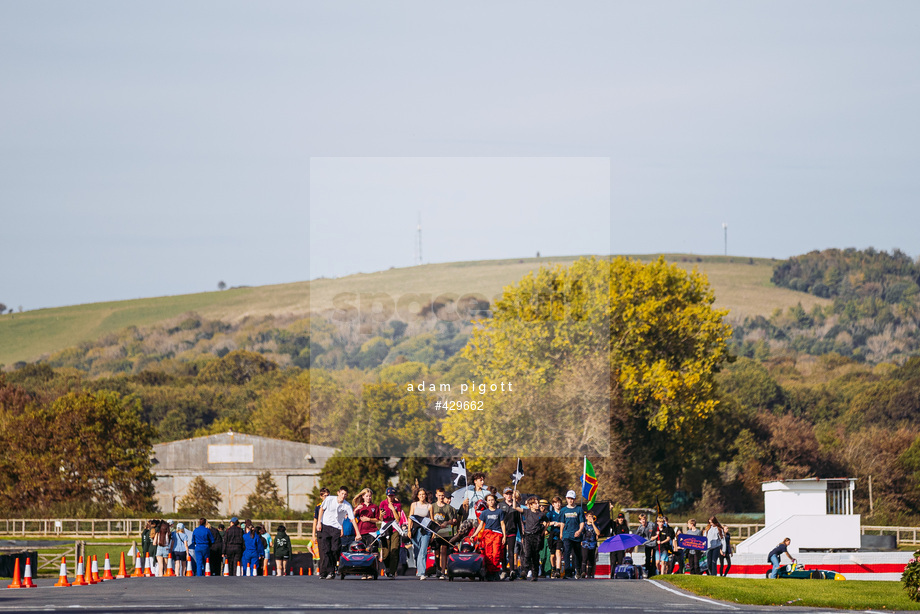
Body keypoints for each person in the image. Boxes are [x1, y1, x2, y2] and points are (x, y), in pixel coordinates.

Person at [317, 486, 361, 579]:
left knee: (335, 549)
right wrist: (319, 523)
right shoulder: (329, 499)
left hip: (336, 528)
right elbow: (321, 509)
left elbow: (353, 520)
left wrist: (358, 533)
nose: (343, 496)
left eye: (345, 494)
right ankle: (330, 571)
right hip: (326, 526)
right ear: (338, 493)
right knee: (326, 550)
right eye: (342, 494)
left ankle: (333, 568)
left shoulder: (347, 505)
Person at [473, 493, 506, 581]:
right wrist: (474, 534)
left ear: (495, 501)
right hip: (487, 534)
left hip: (497, 534)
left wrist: (504, 536)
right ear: (486, 502)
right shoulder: (484, 512)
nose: (491, 502)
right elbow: (480, 525)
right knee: (488, 554)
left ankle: (495, 572)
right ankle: (489, 573)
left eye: (492, 500)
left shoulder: (499, 512)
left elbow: (502, 524)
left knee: (496, 554)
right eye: (489, 500)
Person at [352, 488, 379, 579]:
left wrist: (369, 519)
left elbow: (378, 519)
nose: (368, 498)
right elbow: (351, 517)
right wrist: (356, 510)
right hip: (361, 532)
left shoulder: (374, 507)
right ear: (363, 497)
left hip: (371, 532)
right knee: (362, 552)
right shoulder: (359, 506)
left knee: (371, 551)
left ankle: (371, 572)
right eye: (366, 496)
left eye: (370, 496)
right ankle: (364, 573)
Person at [431, 487, 457, 579]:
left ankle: (442, 571)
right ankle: (438, 568)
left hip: (445, 532)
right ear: (436, 495)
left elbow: (452, 520)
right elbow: (430, 518)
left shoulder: (448, 508)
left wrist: (447, 522)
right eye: (439, 495)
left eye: (443, 496)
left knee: (444, 550)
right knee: (436, 552)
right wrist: (434, 522)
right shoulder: (432, 506)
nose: (441, 497)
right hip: (435, 531)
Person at [520, 496, 548, 582]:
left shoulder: (541, 514)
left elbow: (547, 522)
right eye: (535, 503)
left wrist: (543, 531)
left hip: (537, 536)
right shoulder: (527, 512)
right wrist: (514, 498)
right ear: (531, 505)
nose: (537, 505)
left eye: (538, 503)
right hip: (528, 536)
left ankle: (534, 574)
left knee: (535, 555)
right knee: (527, 554)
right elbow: (515, 507)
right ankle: (524, 570)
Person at [408, 487, 433, 580]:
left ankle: (422, 572)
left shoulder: (429, 506)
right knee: (417, 551)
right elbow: (410, 517)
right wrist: (409, 530)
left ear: (425, 495)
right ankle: (419, 569)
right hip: (415, 530)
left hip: (426, 530)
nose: (422, 496)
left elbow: (432, 520)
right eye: (420, 494)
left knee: (423, 551)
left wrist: (433, 533)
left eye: (423, 494)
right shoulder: (414, 505)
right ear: (417, 496)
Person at [498, 487, 522, 579]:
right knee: (503, 552)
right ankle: (504, 570)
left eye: (510, 494)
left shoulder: (516, 505)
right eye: (507, 494)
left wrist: (521, 533)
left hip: (512, 530)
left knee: (511, 551)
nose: (508, 496)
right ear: (504, 495)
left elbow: (519, 521)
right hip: (502, 532)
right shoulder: (500, 505)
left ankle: (512, 570)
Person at [560, 490, 584, 579]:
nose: (570, 500)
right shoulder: (563, 510)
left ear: (575, 499)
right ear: (566, 499)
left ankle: (578, 570)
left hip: (576, 535)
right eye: (569, 498)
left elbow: (582, 522)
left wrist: (580, 531)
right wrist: (561, 533)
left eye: (572, 499)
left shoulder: (579, 510)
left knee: (577, 554)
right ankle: (567, 572)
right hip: (567, 535)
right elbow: (562, 522)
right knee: (566, 552)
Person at [545, 496, 565, 578]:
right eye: (556, 503)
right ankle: (553, 568)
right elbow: (545, 523)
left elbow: (566, 523)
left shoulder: (563, 513)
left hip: (560, 535)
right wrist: (552, 523)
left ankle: (557, 570)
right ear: (553, 504)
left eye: (559, 503)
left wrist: (560, 524)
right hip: (552, 535)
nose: (558, 504)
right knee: (552, 554)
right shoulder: (550, 514)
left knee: (558, 552)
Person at [580, 511, 599, 578]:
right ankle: (583, 572)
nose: (591, 518)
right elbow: (581, 532)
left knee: (591, 559)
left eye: (592, 516)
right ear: (587, 517)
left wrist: (593, 524)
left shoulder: (596, 524)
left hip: (592, 544)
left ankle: (589, 574)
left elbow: (598, 533)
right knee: (584, 558)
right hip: (585, 543)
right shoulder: (584, 524)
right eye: (589, 516)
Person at [634, 513, 655, 578]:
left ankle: (653, 572)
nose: (643, 521)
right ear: (639, 521)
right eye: (641, 520)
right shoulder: (640, 528)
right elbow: (637, 536)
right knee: (647, 558)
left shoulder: (651, 525)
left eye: (644, 519)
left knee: (654, 558)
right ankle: (648, 572)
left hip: (654, 543)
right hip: (647, 544)